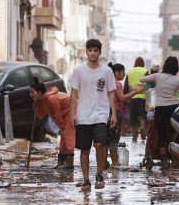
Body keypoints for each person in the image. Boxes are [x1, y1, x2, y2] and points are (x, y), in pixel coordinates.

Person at [69, 39, 117, 191]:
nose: (93, 53)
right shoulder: (78, 71)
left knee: (99, 144)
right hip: (83, 115)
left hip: (101, 114)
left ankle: (99, 174)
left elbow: (111, 93)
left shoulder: (107, 71)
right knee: (84, 149)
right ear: (86, 52)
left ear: (99, 52)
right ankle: (86, 180)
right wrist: (72, 114)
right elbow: (73, 94)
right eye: (90, 50)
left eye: (96, 50)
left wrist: (113, 113)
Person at [140, 56, 179, 170]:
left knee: (161, 134)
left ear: (165, 66)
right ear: (176, 67)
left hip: (160, 108)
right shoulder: (178, 80)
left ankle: (163, 160)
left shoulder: (157, 76)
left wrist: (153, 81)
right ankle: (174, 155)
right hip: (173, 108)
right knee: (173, 133)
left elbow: (142, 79)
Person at [30, 79, 76, 170]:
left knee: (68, 135)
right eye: (30, 92)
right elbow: (40, 115)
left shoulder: (50, 99)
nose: (30, 95)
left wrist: (61, 125)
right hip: (65, 114)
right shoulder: (42, 100)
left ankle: (70, 162)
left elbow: (57, 114)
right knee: (64, 136)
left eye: (32, 92)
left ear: (39, 92)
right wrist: (35, 104)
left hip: (71, 111)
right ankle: (61, 161)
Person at [107, 63, 145, 167]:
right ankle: (115, 162)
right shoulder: (117, 84)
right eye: (123, 72)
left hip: (105, 112)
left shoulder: (105, 82)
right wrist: (136, 92)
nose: (124, 75)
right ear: (117, 72)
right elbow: (121, 98)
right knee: (114, 138)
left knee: (105, 138)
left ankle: (104, 161)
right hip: (115, 112)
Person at [125, 57, 148, 142]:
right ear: (143, 63)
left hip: (132, 98)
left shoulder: (129, 72)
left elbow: (126, 86)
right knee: (142, 116)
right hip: (142, 98)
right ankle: (142, 127)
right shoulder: (145, 71)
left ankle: (134, 136)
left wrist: (125, 97)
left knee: (133, 118)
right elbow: (148, 85)